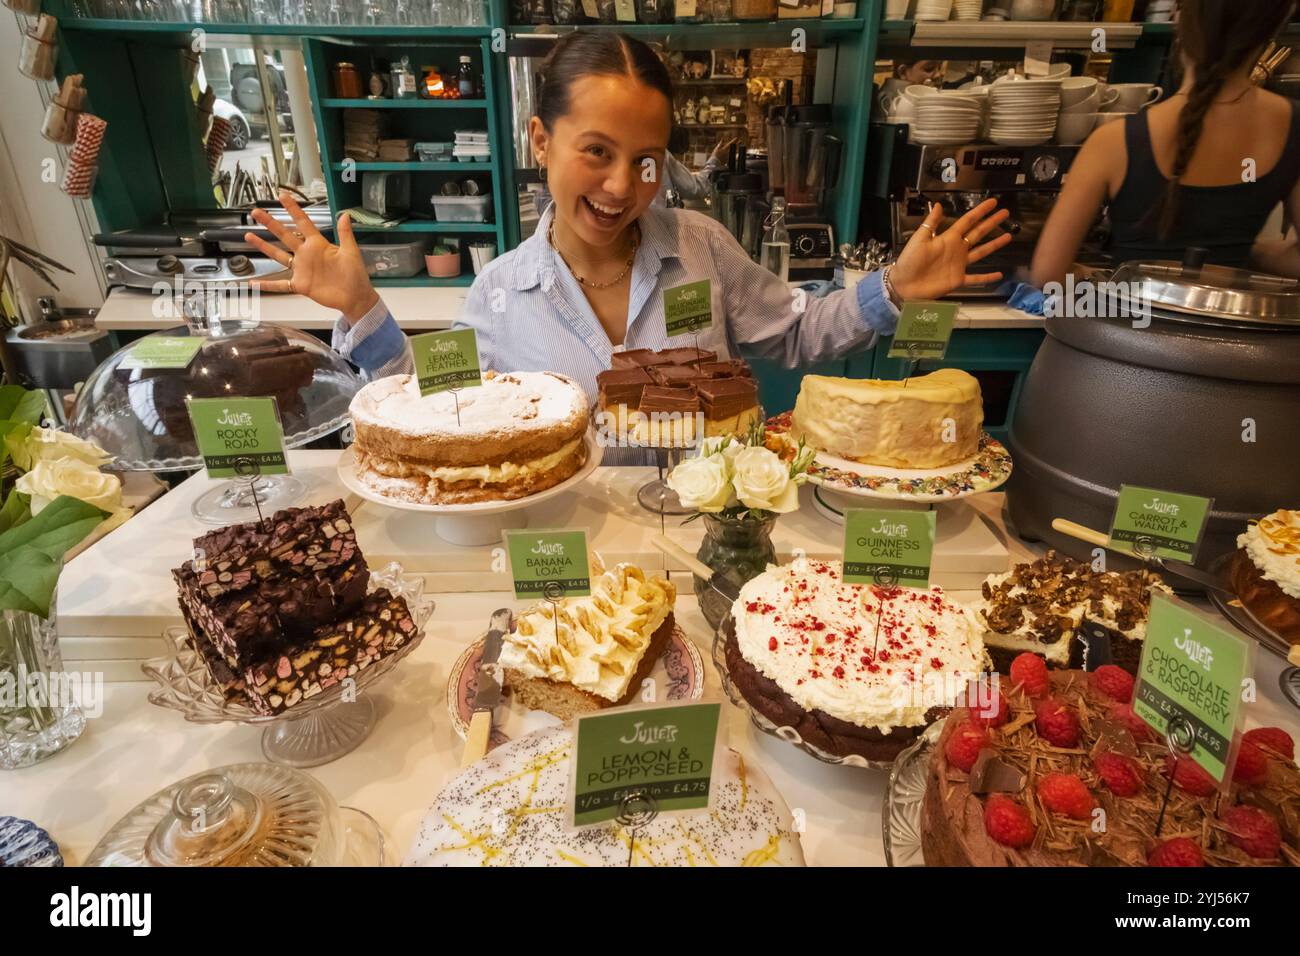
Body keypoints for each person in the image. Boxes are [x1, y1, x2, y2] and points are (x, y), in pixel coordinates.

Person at [247, 32, 1011, 462]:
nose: (622, 185)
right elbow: (438, 396)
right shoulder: (501, 294)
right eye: (597, 152)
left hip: (705, 539)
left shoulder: (703, 249)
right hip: (573, 555)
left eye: (647, 160)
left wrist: (897, 292)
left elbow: (803, 330)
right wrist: (362, 306)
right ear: (541, 140)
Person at [1031, 0, 1300, 287]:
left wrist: (1091, 275)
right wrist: (1245, 252)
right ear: (1275, 24)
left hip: (1129, 327)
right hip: (1229, 330)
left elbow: (1047, 274)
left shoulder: (1114, 140)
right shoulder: (1292, 125)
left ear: (1181, 21)